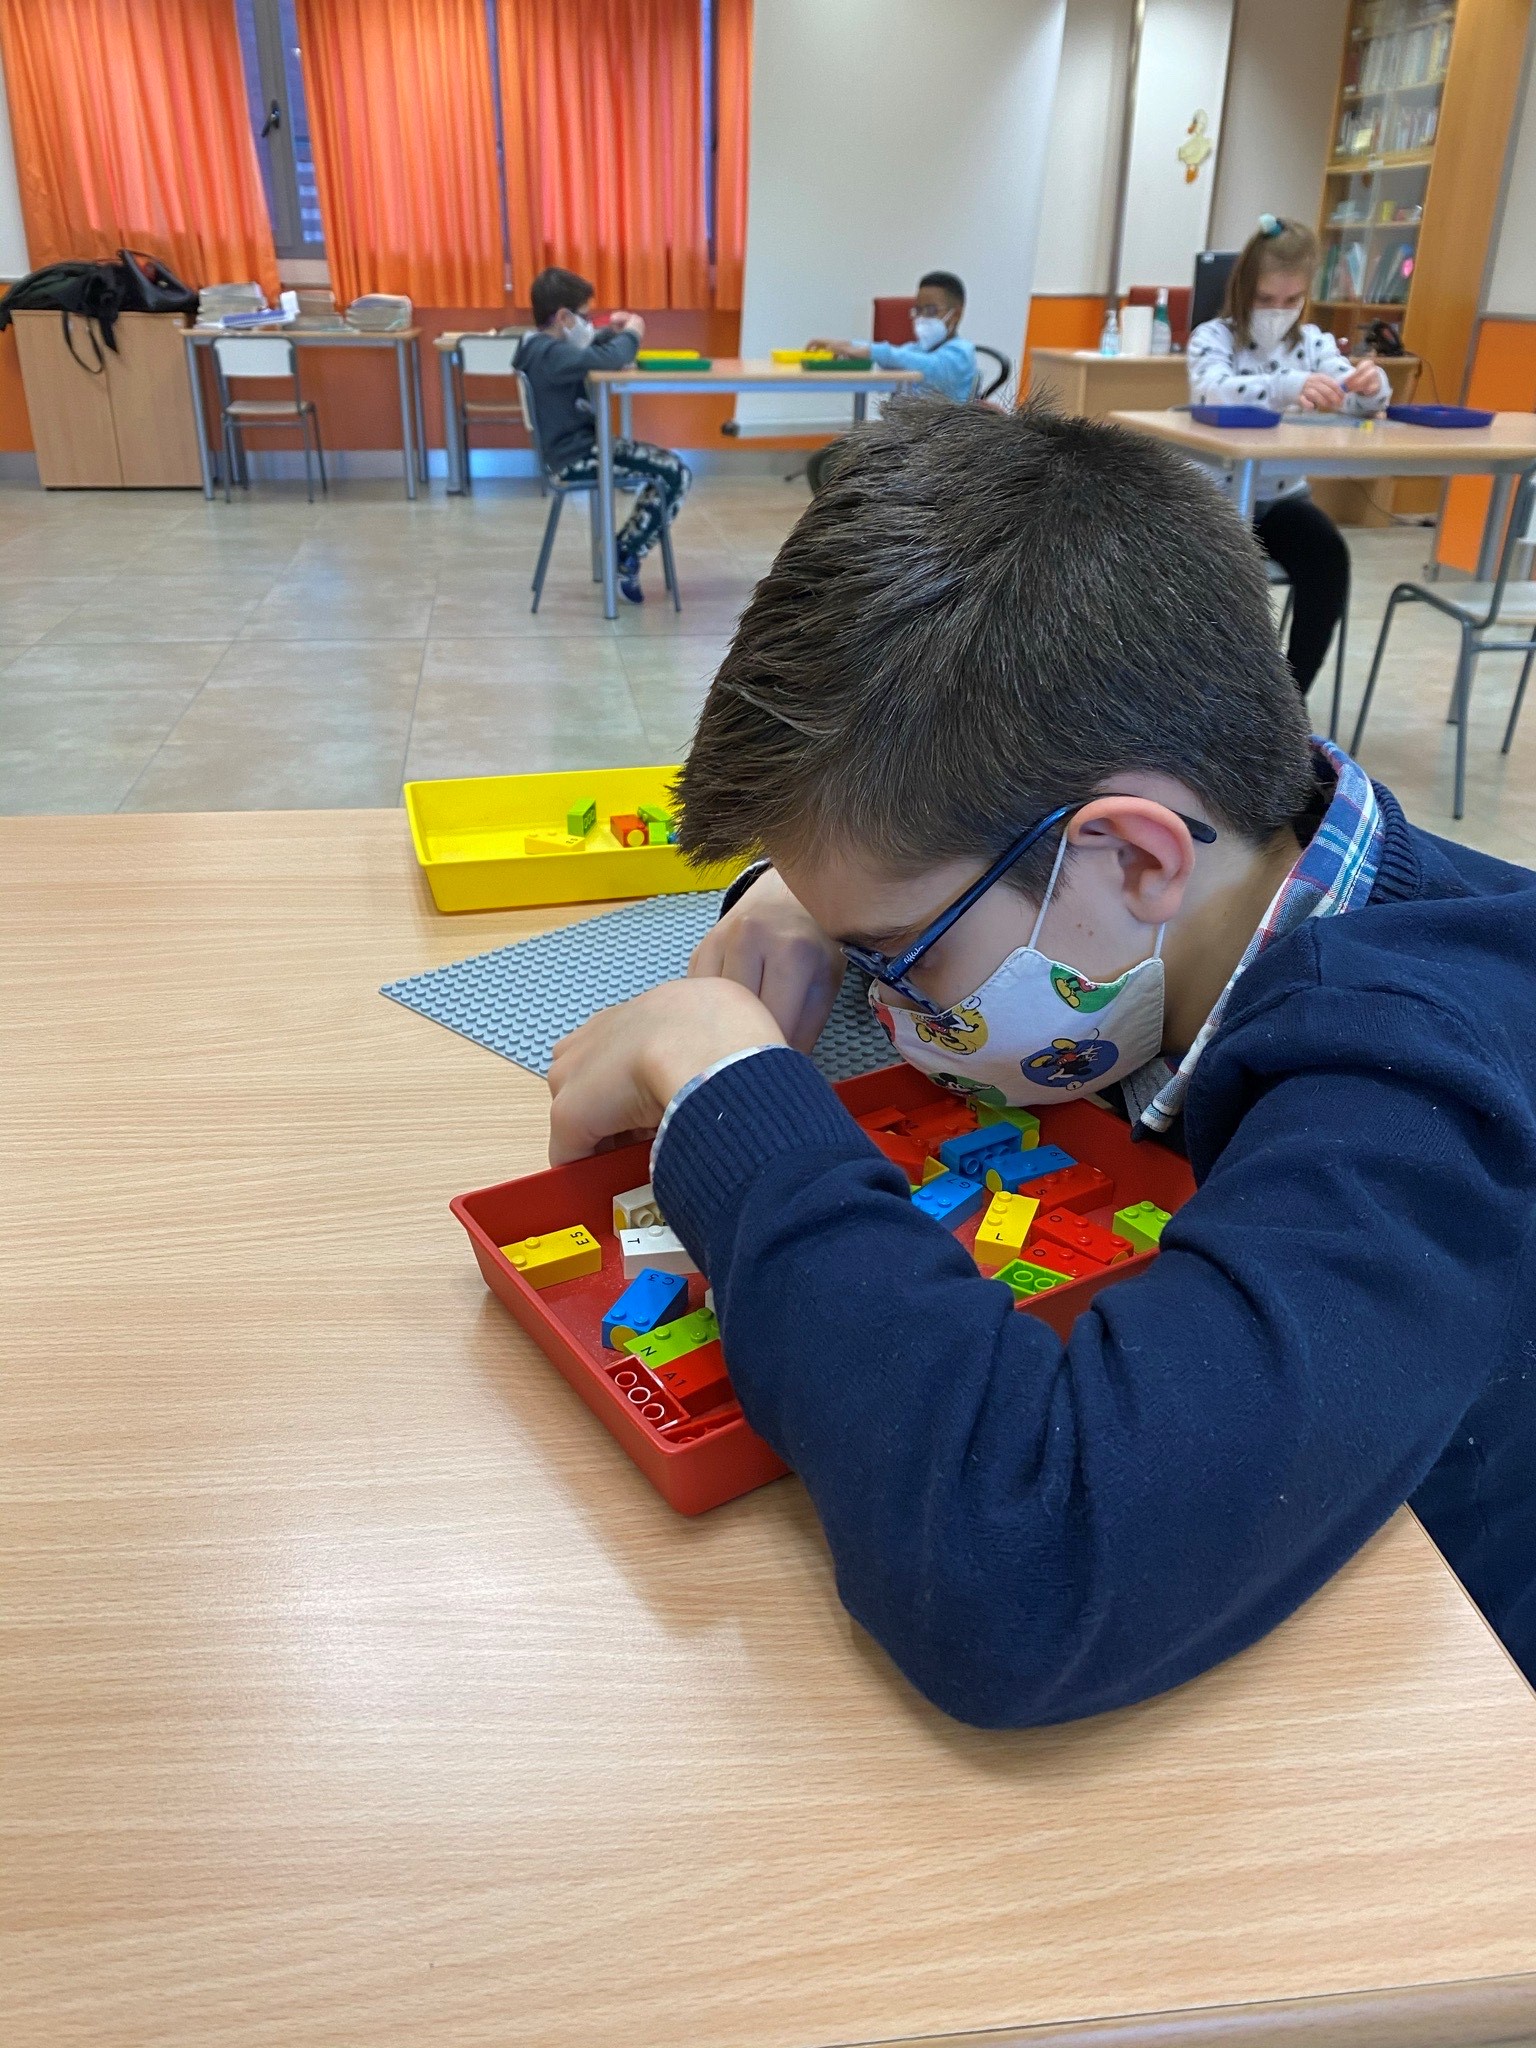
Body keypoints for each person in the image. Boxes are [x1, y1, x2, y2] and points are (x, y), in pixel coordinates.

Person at [545, 396, 1536, 1729]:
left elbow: (1026, 1569)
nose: (880, 996)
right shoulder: (1212, 864)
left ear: (1136, 857)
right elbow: (973, 864)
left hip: (1457, 1676)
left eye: (898, 952)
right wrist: (808, 903)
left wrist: (735, 1099)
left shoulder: (1422, 1080)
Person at [1188, 215, 1388, 697]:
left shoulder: (1314, 344)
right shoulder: (1213, 338)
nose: (1278, 312)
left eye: (1291, 301)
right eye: (1265, 300)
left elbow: (1351, 393)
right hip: (1212, 504)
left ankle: (1288, 704)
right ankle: (1209, 700)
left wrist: (1371, 389)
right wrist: (1284, 387)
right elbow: (1211, 391)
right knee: (1216, 582)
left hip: (1280, 503)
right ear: (1243, 290)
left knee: (1327, 557)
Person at [514, 267, 691, 605]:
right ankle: (624, 552)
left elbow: (593, 345)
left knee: (669, 468)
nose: (588, 323)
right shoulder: (550, 354)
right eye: (584, 316)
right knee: (675, 473)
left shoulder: (542, 348)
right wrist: (634, 333)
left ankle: (622, 549)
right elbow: (609, 358)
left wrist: (610, 331)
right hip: (577, 456)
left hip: (575, 451)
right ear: (564, 317)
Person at [805, 270, 978, 492]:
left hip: (936, 444)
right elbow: (895, 356)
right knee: (819, 462)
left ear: (955, 314)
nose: (923, 317)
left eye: (931, 310)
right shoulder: (918, 350)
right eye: (919, 310)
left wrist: (869, 351)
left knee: (836, 468)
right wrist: (844, 345)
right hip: (903, 437)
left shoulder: (960, 354)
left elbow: (925, 366)